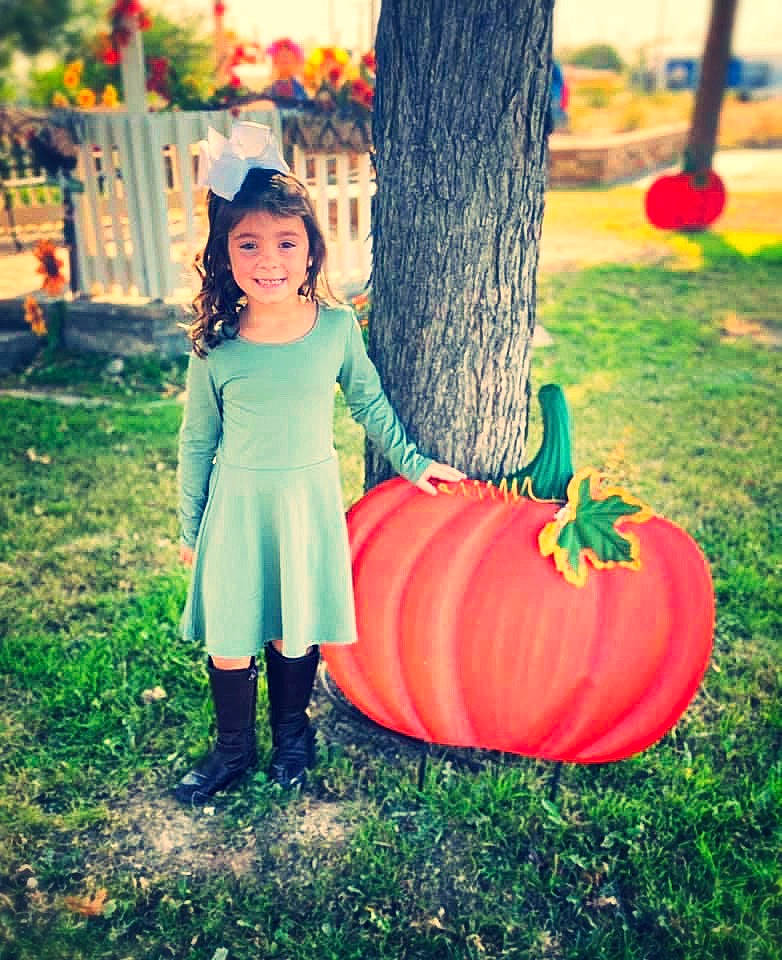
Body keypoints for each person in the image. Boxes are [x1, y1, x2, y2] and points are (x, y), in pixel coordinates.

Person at [174, 122, 464, 804]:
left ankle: (293, 741)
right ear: (224, 255)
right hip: (238, 510)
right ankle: (234, 750)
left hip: (304, 506)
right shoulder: (218, 346)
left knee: (292, 626)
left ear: (310, 251)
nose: (267, 258)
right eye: (247, 243)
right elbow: (196, 442)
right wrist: (191, 528)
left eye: (285, 241)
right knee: (233, 634)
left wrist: (413, 462)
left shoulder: (334, 329)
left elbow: (369, 401)